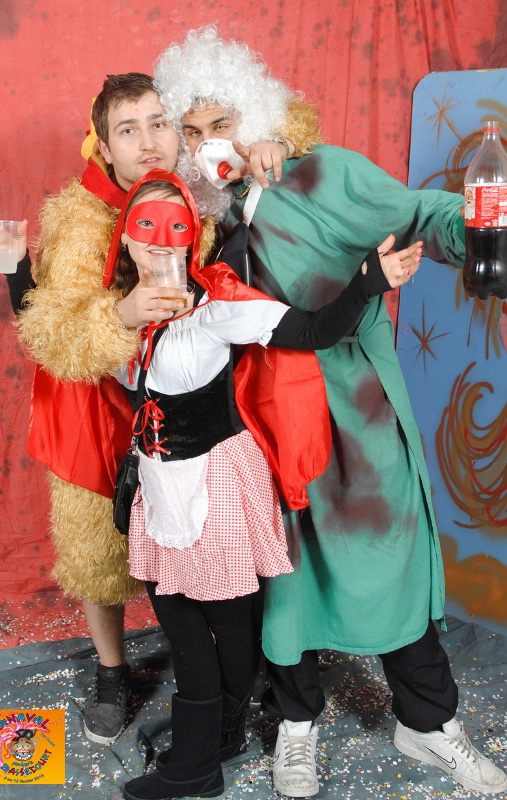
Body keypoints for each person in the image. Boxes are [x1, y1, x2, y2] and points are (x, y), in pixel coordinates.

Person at [151, 26, 507, 797]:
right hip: (252, 429)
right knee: (283, 575)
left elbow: (424, 213)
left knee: (389, 557)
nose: (212, 145)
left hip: (355, 412)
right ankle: (296, 722)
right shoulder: (194, 219)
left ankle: (428, 722)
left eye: (223, 123)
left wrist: (480, 230)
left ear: (255, 114)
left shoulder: (322, 176)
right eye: (193, 131)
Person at [0, 72, 330, 747]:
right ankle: (113, 673)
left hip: (187, 393)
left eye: (157, 124)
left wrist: (276, 141)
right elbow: (49, 330)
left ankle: (226, 674)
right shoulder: (80, 217)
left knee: (204, 532)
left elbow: (279, 118)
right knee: (99, 547)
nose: (147, 142)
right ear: (103, 146)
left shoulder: (194, 179)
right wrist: (119, 314)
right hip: (92, 396)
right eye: (127, 131)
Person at [103, 168, 421, 800]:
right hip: (160, 485)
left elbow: (312, 331)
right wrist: (14, 267)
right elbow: (59, 343)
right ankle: (219, 737)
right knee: (182, 616)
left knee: (222, 622)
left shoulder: (216, 309)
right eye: (147, 225)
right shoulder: (110, 316)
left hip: (215, 482)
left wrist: (368, 282)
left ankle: (197, 763)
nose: (161, 240)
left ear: (194, 237)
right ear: (127, 239)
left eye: (176, 225)